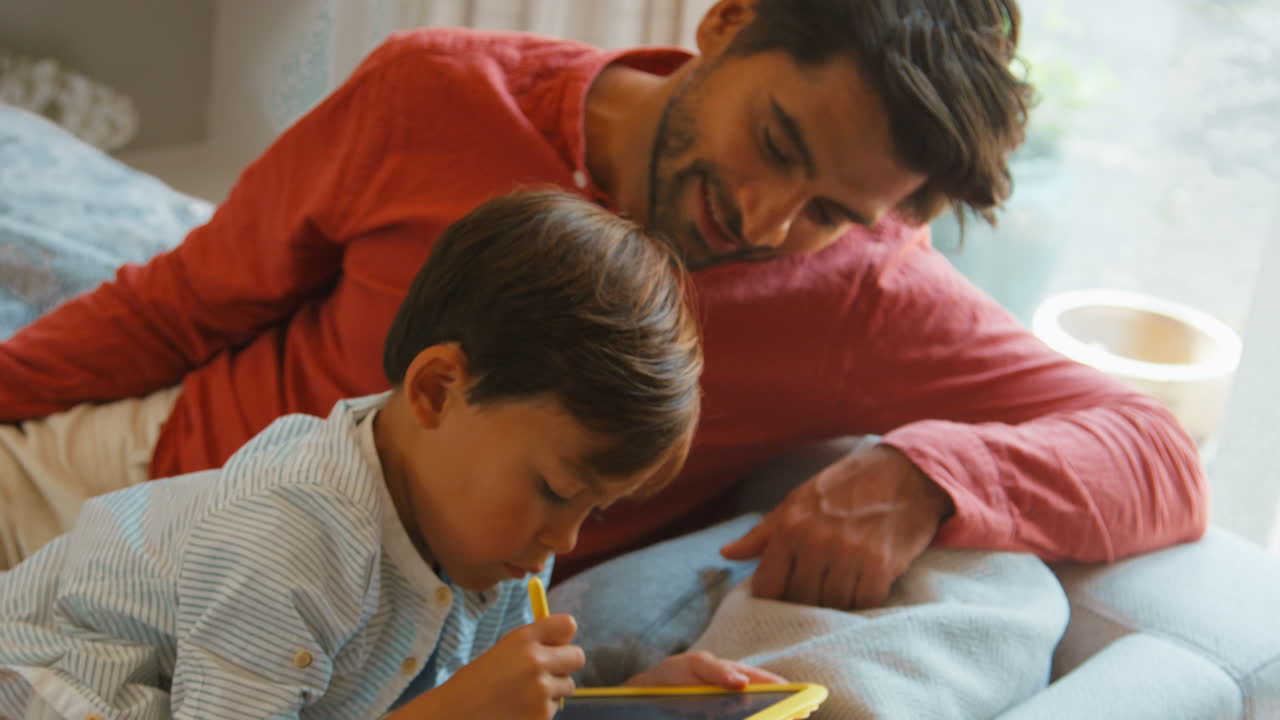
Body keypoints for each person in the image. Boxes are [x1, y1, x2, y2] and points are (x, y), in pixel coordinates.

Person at [0, 0, 1205, 668]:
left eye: (831, 210)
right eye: (778, 145)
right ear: (726, 24)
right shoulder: (432, 93)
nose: (769, 220)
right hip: (142, 490)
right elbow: (181, 303)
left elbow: (1150, 449)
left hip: (388, 628)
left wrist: (924, 475)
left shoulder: (855, 292)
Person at [0, 190, 784, 720]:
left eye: (595, 510)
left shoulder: (496, 546)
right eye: (553, 489)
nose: (567, 541)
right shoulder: (287, 539)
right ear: (438, 390)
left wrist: (638, 697)